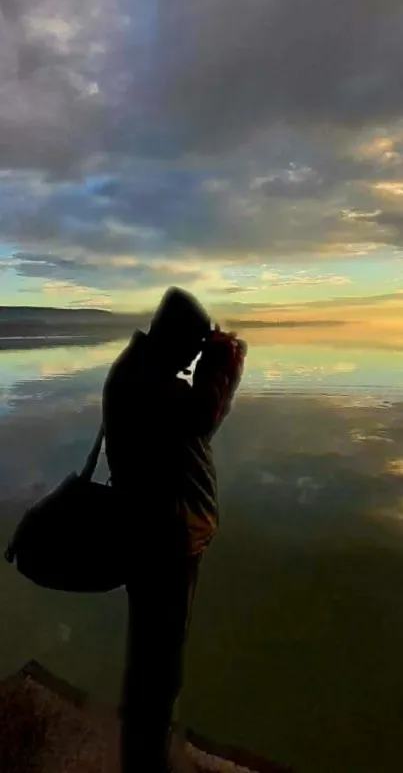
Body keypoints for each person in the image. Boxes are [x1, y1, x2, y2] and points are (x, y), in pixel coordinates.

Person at [102, 286, 247, 773]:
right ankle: (146, 762)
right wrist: (227, 366)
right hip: (161, 544)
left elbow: (198, 424)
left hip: (159, 538)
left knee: (154, 662)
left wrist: (215, 374)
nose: (195, 355)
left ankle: (144, 753)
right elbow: (202, 416)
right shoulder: (148, 381)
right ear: (177, 339)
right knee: (158, 668)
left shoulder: (145, 372)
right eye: (194, 344)